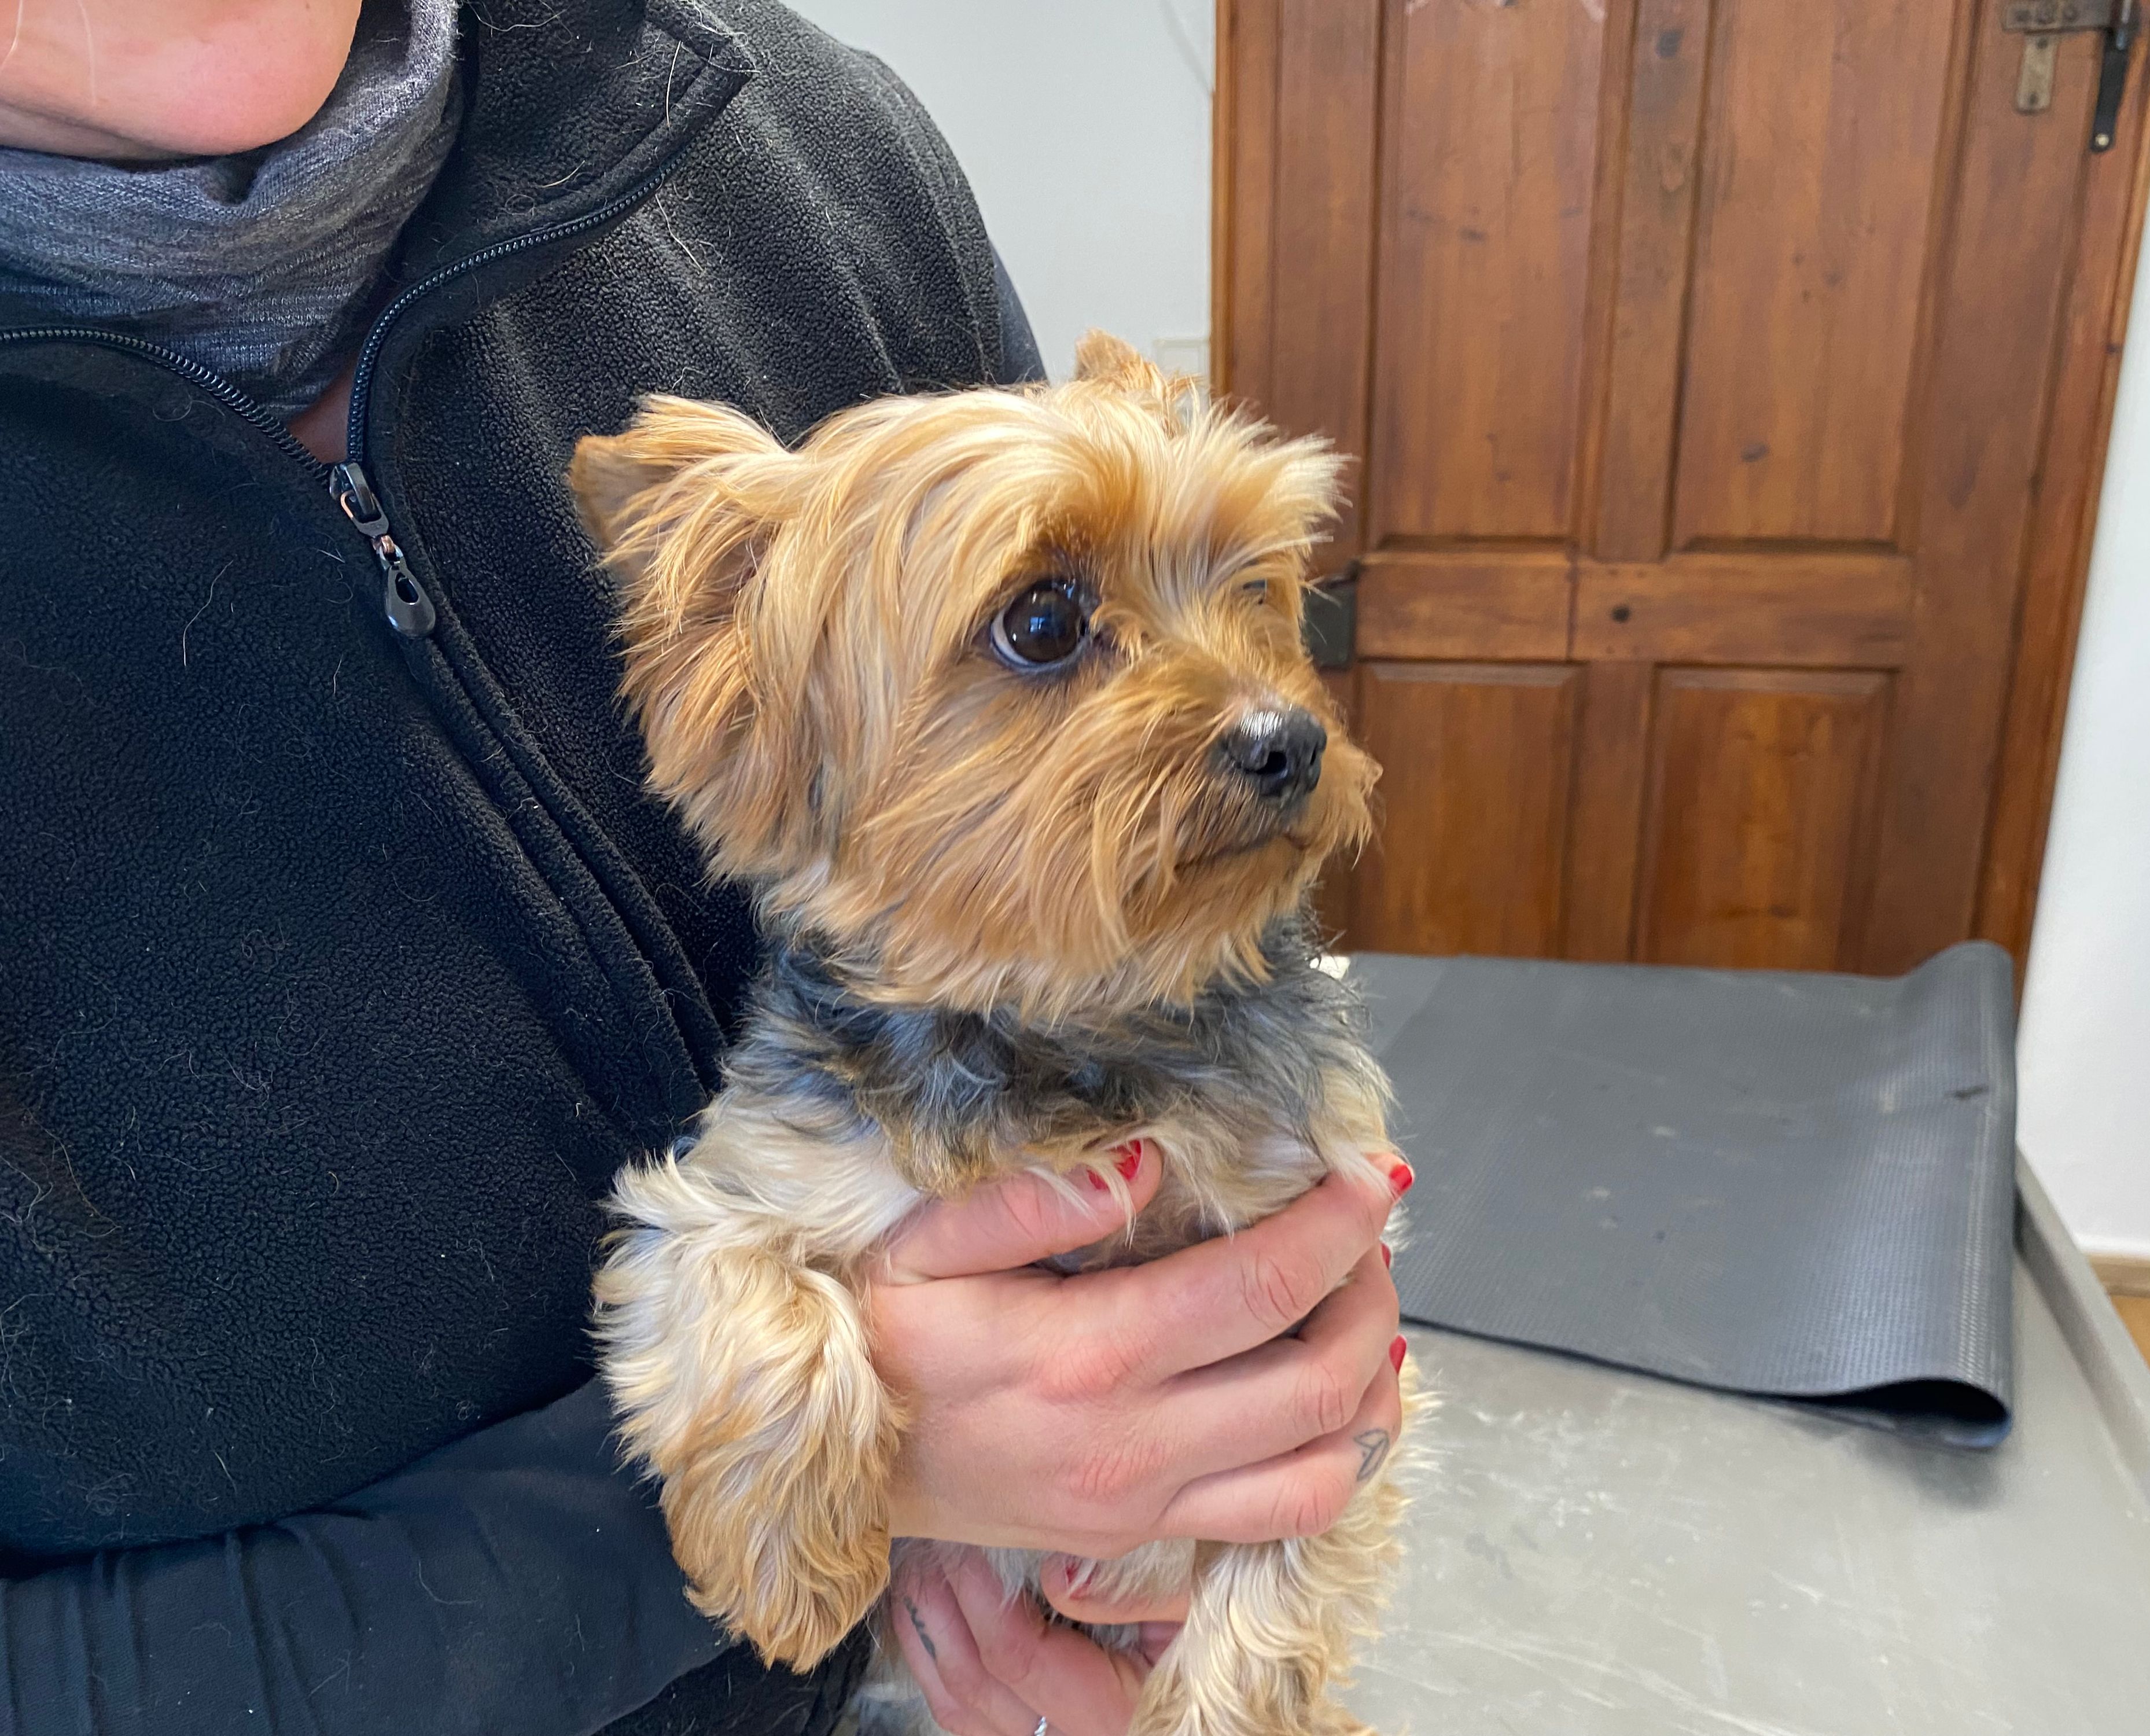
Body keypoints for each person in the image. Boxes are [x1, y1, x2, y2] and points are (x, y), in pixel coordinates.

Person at [0, 3, 1408, 1734]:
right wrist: (823, 1477)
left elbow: (1140, 856)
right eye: (1050, 624)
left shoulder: (806, 149)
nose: (1266, 711)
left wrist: (1248, 1456)